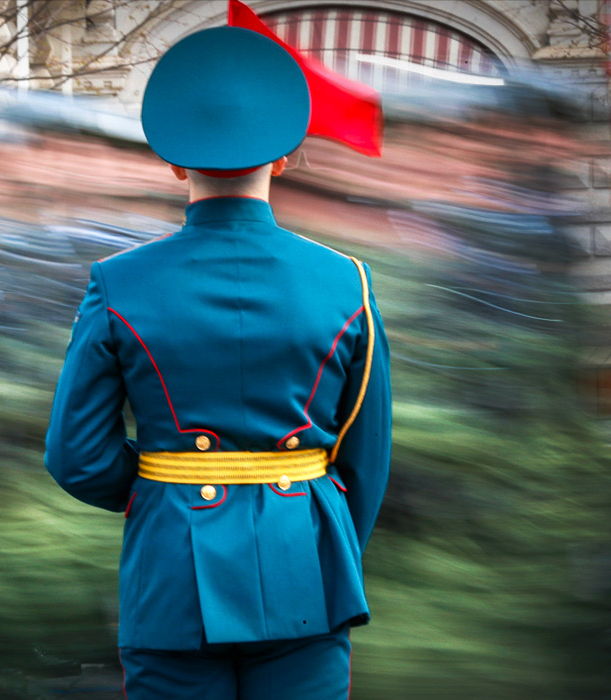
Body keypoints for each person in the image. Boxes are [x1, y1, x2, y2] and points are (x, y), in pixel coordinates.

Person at [44, 26, 391, 700]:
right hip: (307, 566)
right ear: (287, 157)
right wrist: (321, 541)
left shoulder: (118, 282)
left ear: (174, 162)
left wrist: (161, 496)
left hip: (170, 569)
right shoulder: (347, 280)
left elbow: (76, 457)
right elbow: (365, 456)